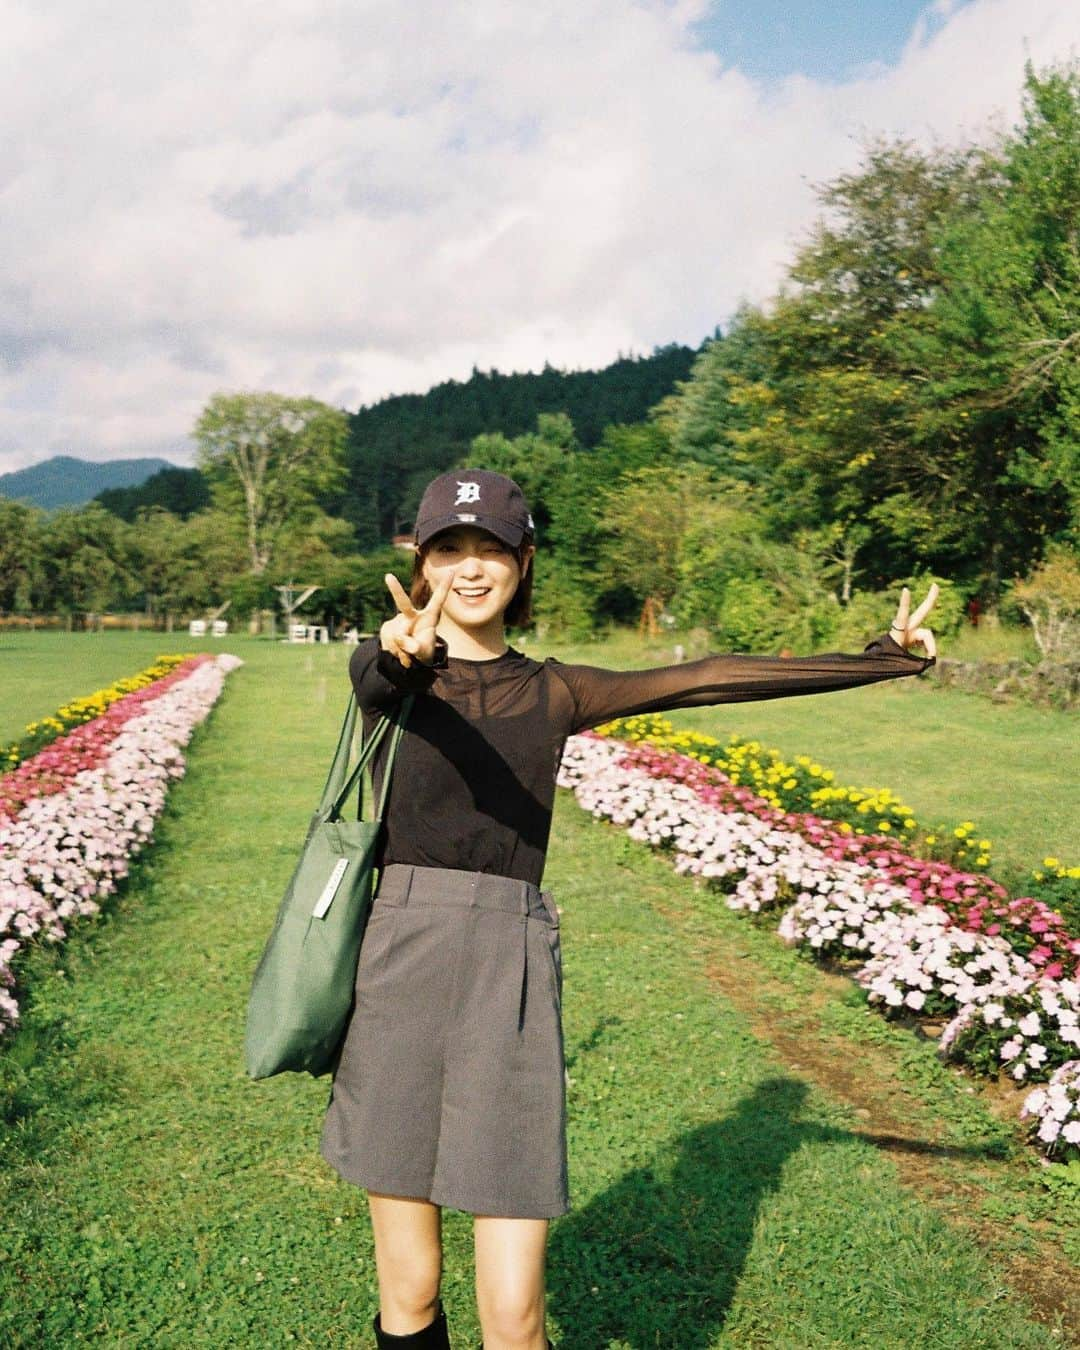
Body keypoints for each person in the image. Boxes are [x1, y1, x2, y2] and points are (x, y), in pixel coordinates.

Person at [319, 469, 939, 1349]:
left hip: (509, 968)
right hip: (399, 960)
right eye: (448, 549)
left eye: (491, 549)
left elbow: (706, 677)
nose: (469, 568)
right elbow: (385, 678)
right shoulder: (390, 667)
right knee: (411, 1291)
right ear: (420, 563)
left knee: (514, 1314)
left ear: (523, 563)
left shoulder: (556, 691)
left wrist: (882, 658)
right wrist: (401, 655)